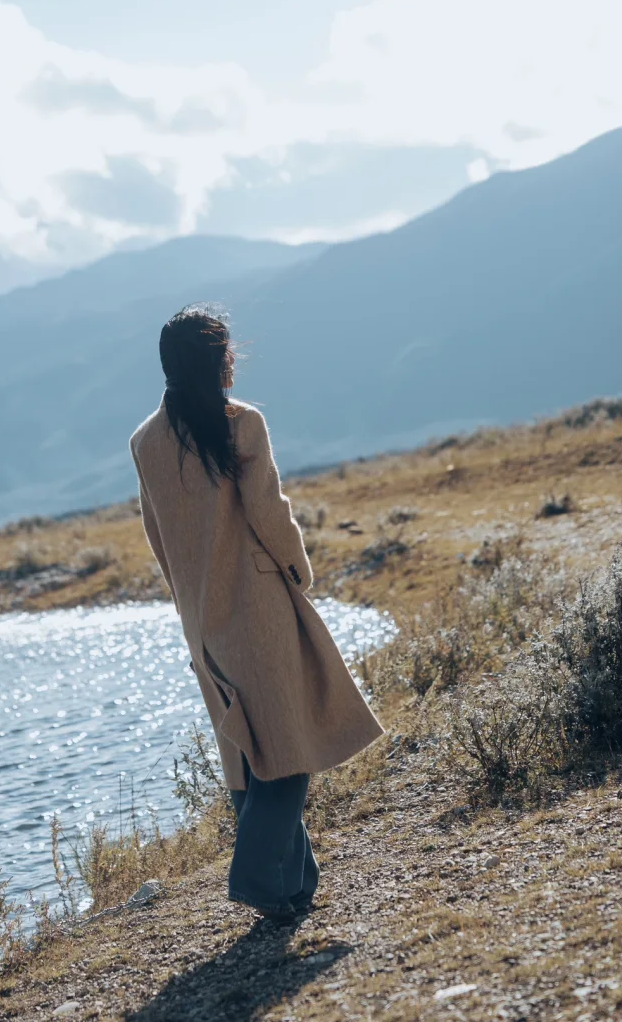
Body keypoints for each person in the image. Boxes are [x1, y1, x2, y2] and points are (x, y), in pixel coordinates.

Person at [129, 306, 384, 923]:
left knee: (250, 751)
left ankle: (295, 887)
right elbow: (270, 511)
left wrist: (188, 600)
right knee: (287, 749)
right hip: (260, 609)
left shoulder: (145, 442)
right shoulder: (241, 424)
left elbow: (155, 535)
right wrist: (300, 571)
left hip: (202, 619)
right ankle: (257, 880)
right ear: (219, 360)